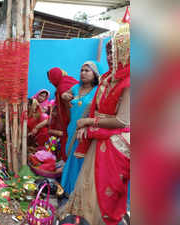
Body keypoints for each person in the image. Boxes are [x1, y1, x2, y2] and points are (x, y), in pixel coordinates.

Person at [58, 32, 130, 225]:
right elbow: (93, 108)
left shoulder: (131, 81)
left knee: (104, 186)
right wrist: (87, 124)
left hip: (114, 141)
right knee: (86, 178)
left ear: (126, 53)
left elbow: (123, 122)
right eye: (107, 52)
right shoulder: (108, 78)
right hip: (93, 135)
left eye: (113, 52)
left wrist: (90, 123)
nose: (109, 58)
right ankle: (83, 216)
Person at [60, 61, 100, 195]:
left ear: (95, 74)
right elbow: (64, 94)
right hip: (72, 128)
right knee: (70, 158)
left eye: (87, 71)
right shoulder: (76, 88)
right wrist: (64, 96)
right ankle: (66, 188)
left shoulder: (98, 91)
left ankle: (76, 193)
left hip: (85, 132)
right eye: (82, 70)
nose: (83, 73)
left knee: (79, 161)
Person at [47, 68, 78, 161]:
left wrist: (72, 124)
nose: (50, 81)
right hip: (78, 120)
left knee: (69, 146)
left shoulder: (62, 87)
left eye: (50, 78)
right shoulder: (69, 80)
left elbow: (70, 106)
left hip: (73, 122)